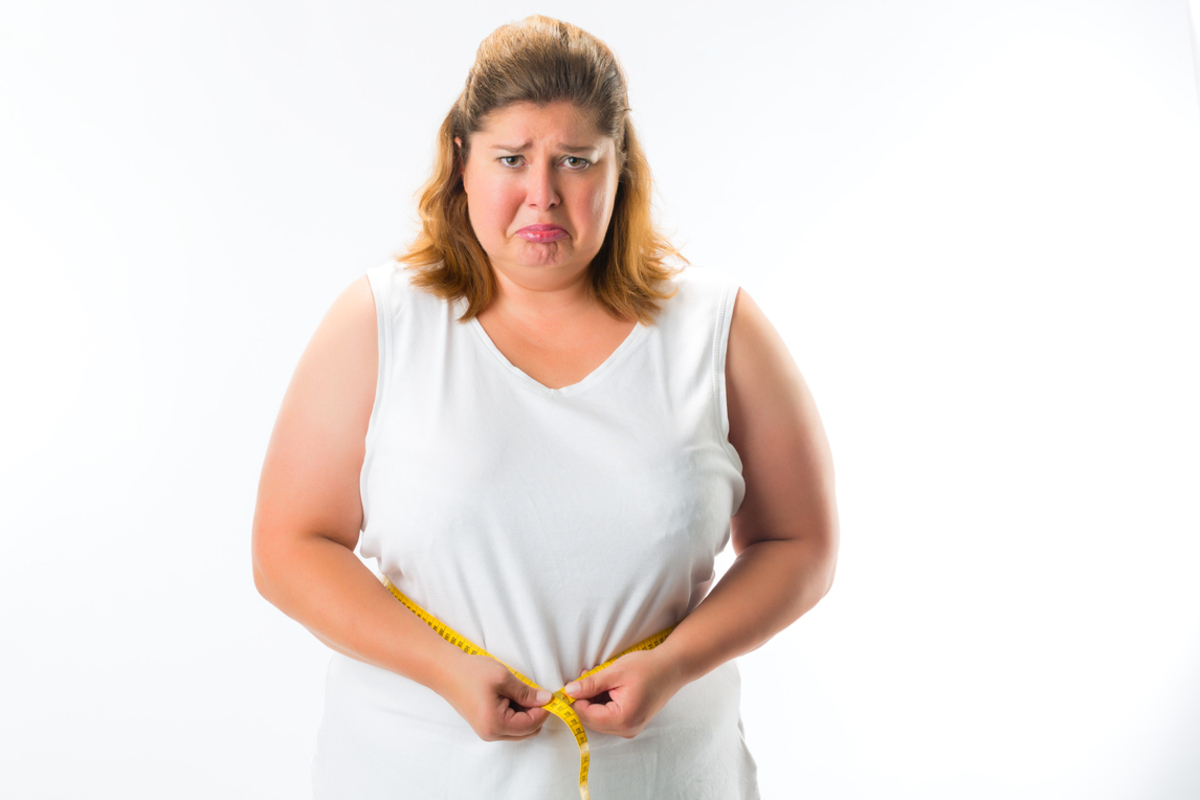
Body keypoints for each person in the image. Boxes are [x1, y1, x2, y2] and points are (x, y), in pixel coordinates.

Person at [252, 15, 838, 799]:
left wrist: (676, 662)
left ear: (619, 166)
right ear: (461, 161)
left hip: (666, 777)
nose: (542, 196)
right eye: (511, 159)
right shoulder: (381, 322)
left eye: (574, 161)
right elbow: (290, 546)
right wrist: (444, 668)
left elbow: (799, 541)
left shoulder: (716, 327)